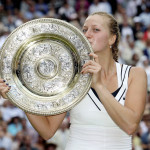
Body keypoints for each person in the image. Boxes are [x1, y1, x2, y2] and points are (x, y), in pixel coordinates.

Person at [0, 12, 147, 149]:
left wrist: (99, 86)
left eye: (95, 30)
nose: (87, 35)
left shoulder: (135, 74)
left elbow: (130, 125)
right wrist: (20, 96)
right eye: (84, 30)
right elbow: (47, 131)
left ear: (112, 38)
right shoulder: (71, 76)